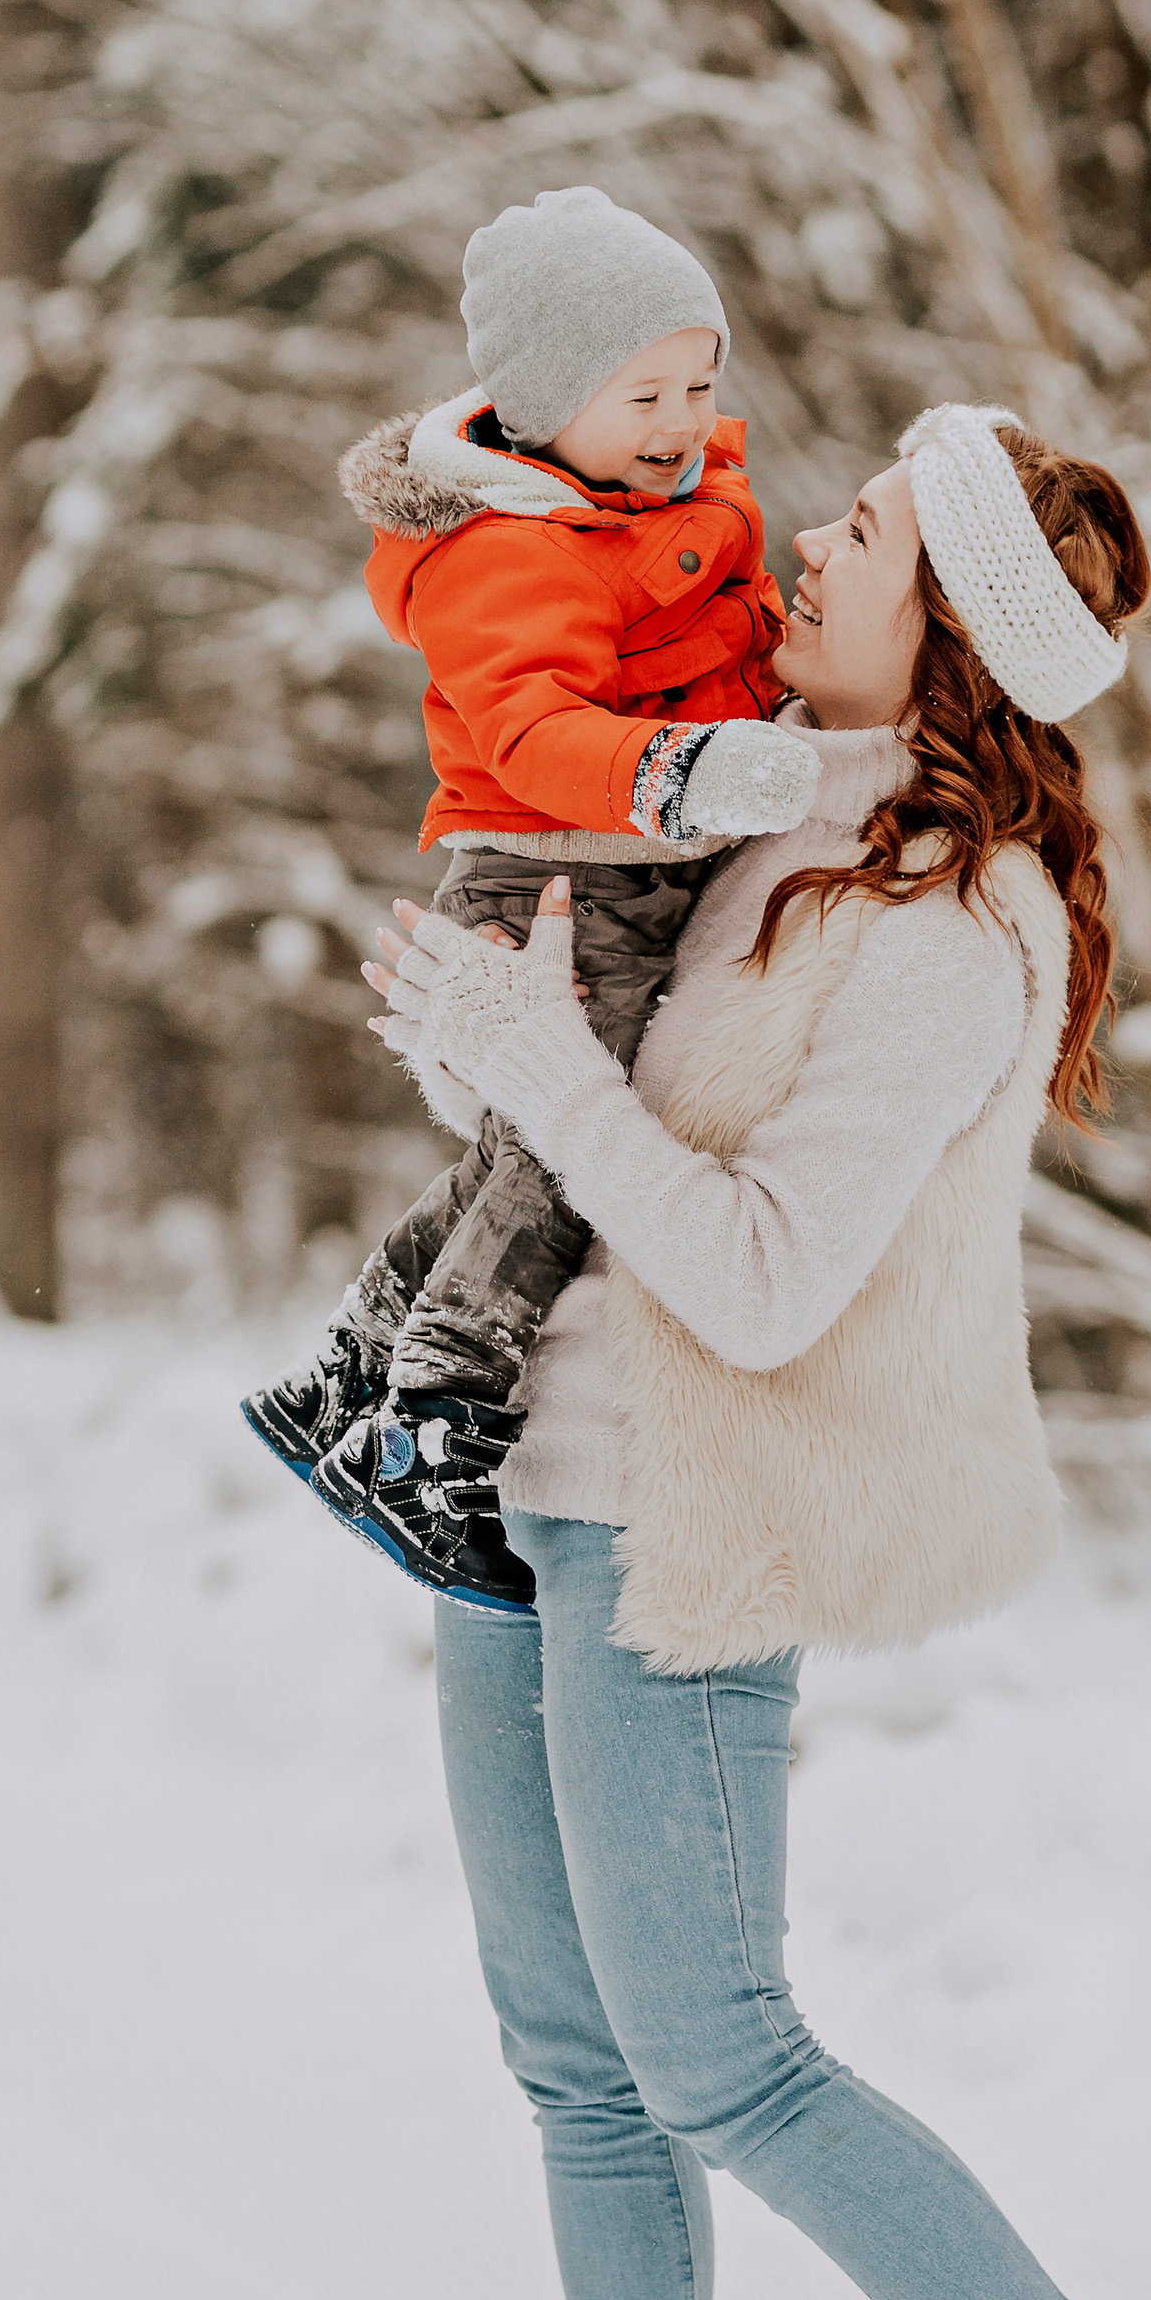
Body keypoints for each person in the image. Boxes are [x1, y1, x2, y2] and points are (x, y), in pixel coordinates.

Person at [360, 403, 1151, 2300]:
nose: (803, 539)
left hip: (704, 1518)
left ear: (944, 623)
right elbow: (608, 1158)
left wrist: (546, 1083)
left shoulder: (955, 930)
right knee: (571, 2053)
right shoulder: (767, 819)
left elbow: (761, 1280)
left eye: (860, 530)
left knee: (725, 2061)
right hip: (541, 1493)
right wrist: (493, 1050)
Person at [240, 186, 820, 1611]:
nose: (685, 417)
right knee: (568, 1146)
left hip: (623, 864)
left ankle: (354, 1364)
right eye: (646, 392)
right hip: (552, 870)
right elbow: (531, 734)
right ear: (548, 399)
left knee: (531, 1145)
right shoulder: (507, 549)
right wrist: (684, 772)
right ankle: (431, 1422)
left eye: (701, 380)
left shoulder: (654, 498)